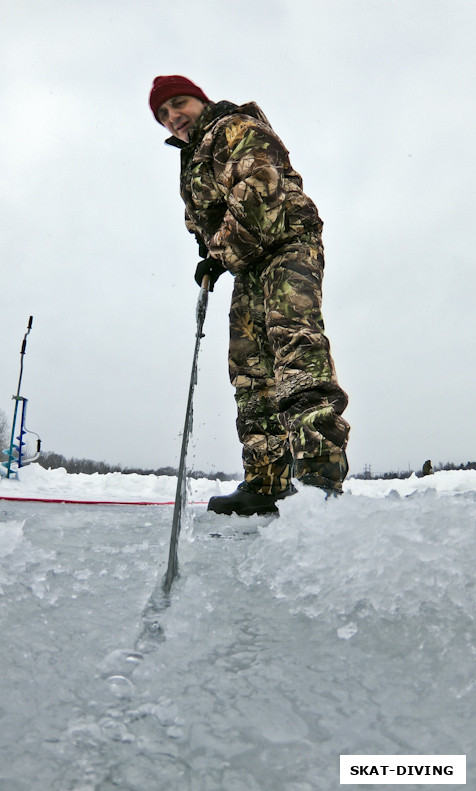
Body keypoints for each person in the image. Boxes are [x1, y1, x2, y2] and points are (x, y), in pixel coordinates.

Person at [149, 75, 350, 515]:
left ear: (199, 99)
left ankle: (319, 470)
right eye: (163, 115)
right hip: (249, 260)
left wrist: (220, 253)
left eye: (178, 104)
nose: (173, 118)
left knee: (293, 346)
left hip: (287, 244)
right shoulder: (193, 157)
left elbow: (260, 191)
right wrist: (210, 253)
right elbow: (209, 219)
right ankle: (266, 481)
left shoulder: (235, 128)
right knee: (250, 370)